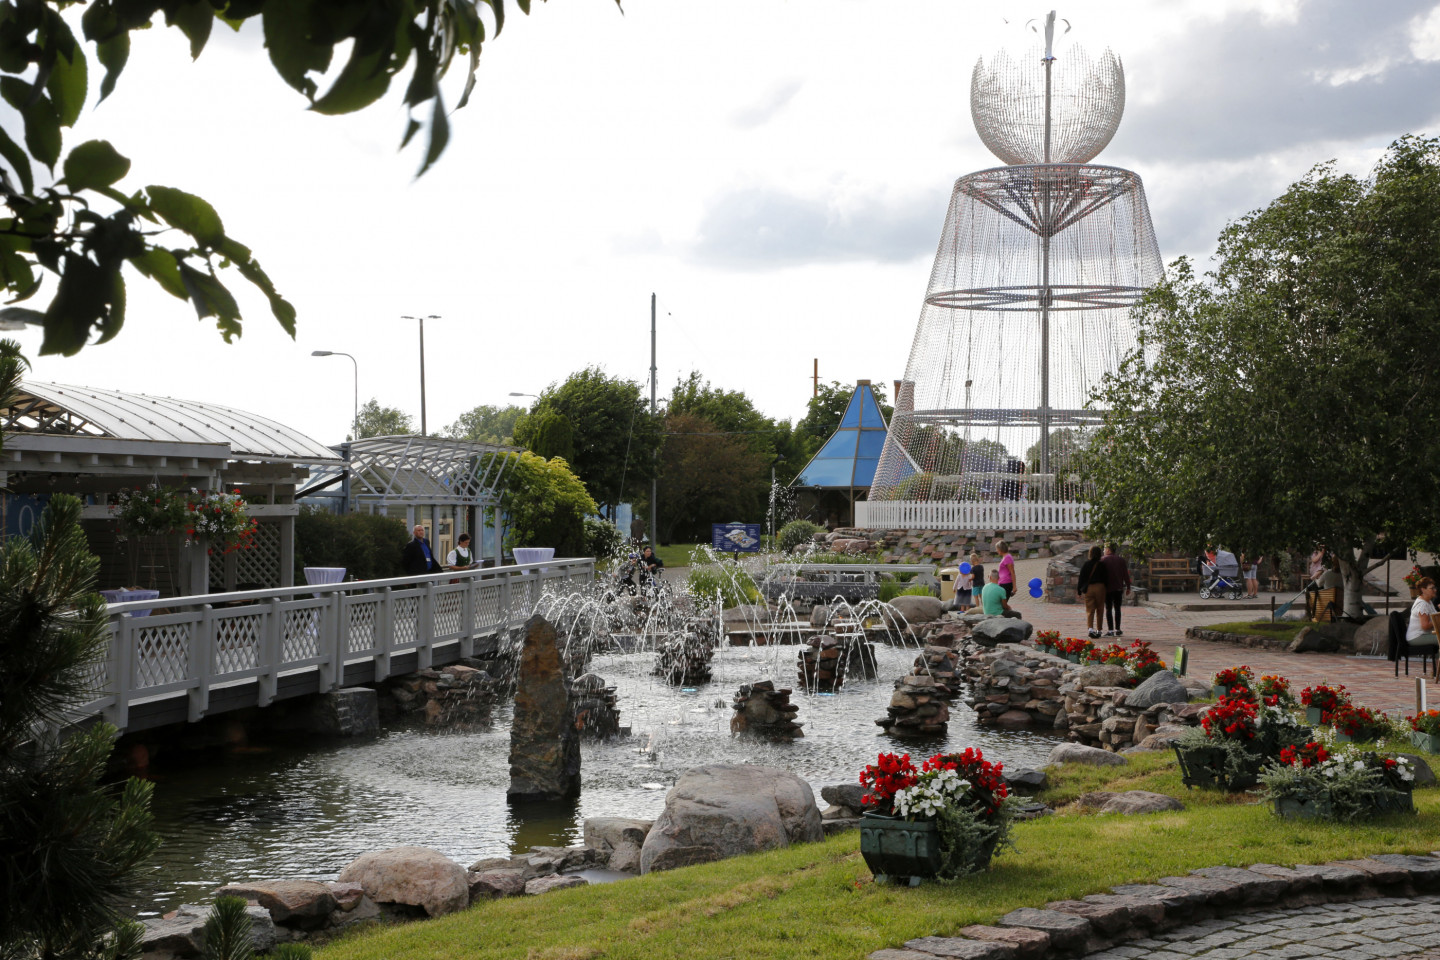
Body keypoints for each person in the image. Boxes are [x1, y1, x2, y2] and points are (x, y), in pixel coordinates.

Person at [1407, 577, 1440, 677]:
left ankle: (1437, 671)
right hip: (1417, 637)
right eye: (1432, 588)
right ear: (1423, 589)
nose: (1435, 590)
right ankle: (1438, 671)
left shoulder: (1428, 602)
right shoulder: (1422, 605)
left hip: (1423, 635)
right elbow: (1425, 626)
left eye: (1435, 588)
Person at [1100, 541, 1132, 637]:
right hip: (1118, 587)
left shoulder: (1103, 560)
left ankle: (1110, 630)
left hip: (1107, 588)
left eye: (1104, 549)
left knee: (1108, 608)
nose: (1103, 551)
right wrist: (1128, 586)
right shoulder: (1121, 560)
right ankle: (1118, 629)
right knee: (1117, 608)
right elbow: (1125, 574)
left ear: (1108, 550)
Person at [1077, 545, 1108, 639]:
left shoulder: (1086, 564)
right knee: (1100, 609)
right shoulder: (1102, 564)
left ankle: (1090, 629)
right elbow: (1106, 577)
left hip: (1089, 588)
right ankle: (1099, 630)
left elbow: (1081, 578)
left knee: (1090, 609)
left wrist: (1079, 590)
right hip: (1100, 587)